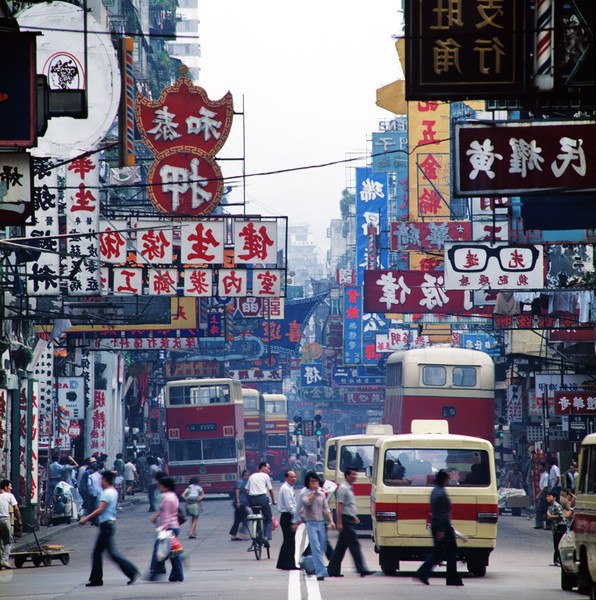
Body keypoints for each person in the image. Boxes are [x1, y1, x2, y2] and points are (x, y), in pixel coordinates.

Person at [79, 470, 139, 587]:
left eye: (102, 479)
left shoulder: (106, 493)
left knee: (98, 553)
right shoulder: (114, 492)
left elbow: (100, 509)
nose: (101, 482)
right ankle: (130, 571)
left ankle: (97, 579)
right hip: (109, 525)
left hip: (106, 525)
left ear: (105, 480)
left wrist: (86, 518)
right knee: (110, 553)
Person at [414, 469, 463, 587]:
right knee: (449, 552)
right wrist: (442, 530)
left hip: (439, 524)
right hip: (442, 526)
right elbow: (442, 512)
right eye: (447, 478)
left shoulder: (435, 491)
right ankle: (450, 577)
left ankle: (424, 573)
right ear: (443, 479)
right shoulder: (441, 494)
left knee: (440, 552)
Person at [328, 468, 375, 578]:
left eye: (356, 474)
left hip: (349, 518)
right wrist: (339, 522)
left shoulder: (348, 488)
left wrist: (354, 516)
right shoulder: (343, 489)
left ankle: (332, 570)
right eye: (353, 474)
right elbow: (339, 507)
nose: (355, 476)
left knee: (341, 547)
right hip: (345, 520)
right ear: (347, 475)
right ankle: (361, 568)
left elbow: (348, 506)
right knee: (354, 545)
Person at [298, 470, 335, 581]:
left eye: (316, 481)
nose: (314, 483)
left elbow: (326, 508)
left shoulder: (322, 494)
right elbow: (307, 502)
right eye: (312, 481)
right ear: (308, 482)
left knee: (322, 546)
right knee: (316, 547)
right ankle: (320, 572)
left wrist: (331, 521)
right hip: (311, 524)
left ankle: (306, 562)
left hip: (321, 523)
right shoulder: (304, 493)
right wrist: (314, 492)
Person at [149, 476, 184, 582]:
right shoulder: (173, 495)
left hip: (168, 528)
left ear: (166, 487)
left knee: (168, 553)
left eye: (161, 485)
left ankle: (172, 573)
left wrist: (162, 529)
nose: (159, 487)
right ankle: (177, 575)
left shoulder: (167, 498)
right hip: (173, 526)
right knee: (173, 554)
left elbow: (167, 515)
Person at [246, 462, 276, 544]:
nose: (269, 470)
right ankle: (266, 537)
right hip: (262, 499)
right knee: (268, 518)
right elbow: (270, 490)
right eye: (268, 468)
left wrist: (249, 500)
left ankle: (256, 535)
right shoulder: (265, 476)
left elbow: (247, 490)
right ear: (262, 468)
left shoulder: (252, 476)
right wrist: (274, 500)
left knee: (256, 516)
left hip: (252, 500)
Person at [276, 470, 298, 570]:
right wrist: (297, 516)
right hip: (287, 516)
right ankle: (290, 564)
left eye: (294, 477)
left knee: (287, 541)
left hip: (289, 515)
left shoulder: (289, 488)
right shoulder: (285, 489)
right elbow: (290, 507)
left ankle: (282, 563)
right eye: (291, 477)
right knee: (290, 542)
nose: (293, 479)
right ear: (286, 478)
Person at [0, 479, 21, 569]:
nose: (11, 488)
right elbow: (16, 508)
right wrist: (19, 520)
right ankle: (4, 560)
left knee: (0, 541)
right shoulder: (9, 495)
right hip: (4, 520)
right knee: (8, 541)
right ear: (5, 487)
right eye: (10, 486)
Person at [545, 488, 565, 566]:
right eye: (547, 496)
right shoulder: (550, 506)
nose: (548, 498)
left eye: (549, 496)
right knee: (555, 545)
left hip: (560, 526)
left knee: (559, 545)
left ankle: (560, 561)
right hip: (555, 527)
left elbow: (561, 516)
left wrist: (551, 516)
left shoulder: (557, 505)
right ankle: (555, 561)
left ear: (554, 497)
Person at [229, 470, 250, 541]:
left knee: (238, 519)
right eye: (245, 475)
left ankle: (233, 535)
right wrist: (238, 502)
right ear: (243, 475)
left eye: (248, 475)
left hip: (242, 503)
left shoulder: (246, 482)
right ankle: (241, 530)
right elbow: (237, 491)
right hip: (239, 503)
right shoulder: (240, 482)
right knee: (245, 515)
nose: (247, 476)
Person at [534, 461, 549, 529]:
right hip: (542, 493)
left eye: (540, 466)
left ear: (543, 467)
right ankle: (539, 524)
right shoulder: (542, 474)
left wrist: (538, 495)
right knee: (539, 509)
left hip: (544, 493)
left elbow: (545, 487)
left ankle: (547, 525)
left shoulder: (546, 475)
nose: (539, 467)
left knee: (544, 509)